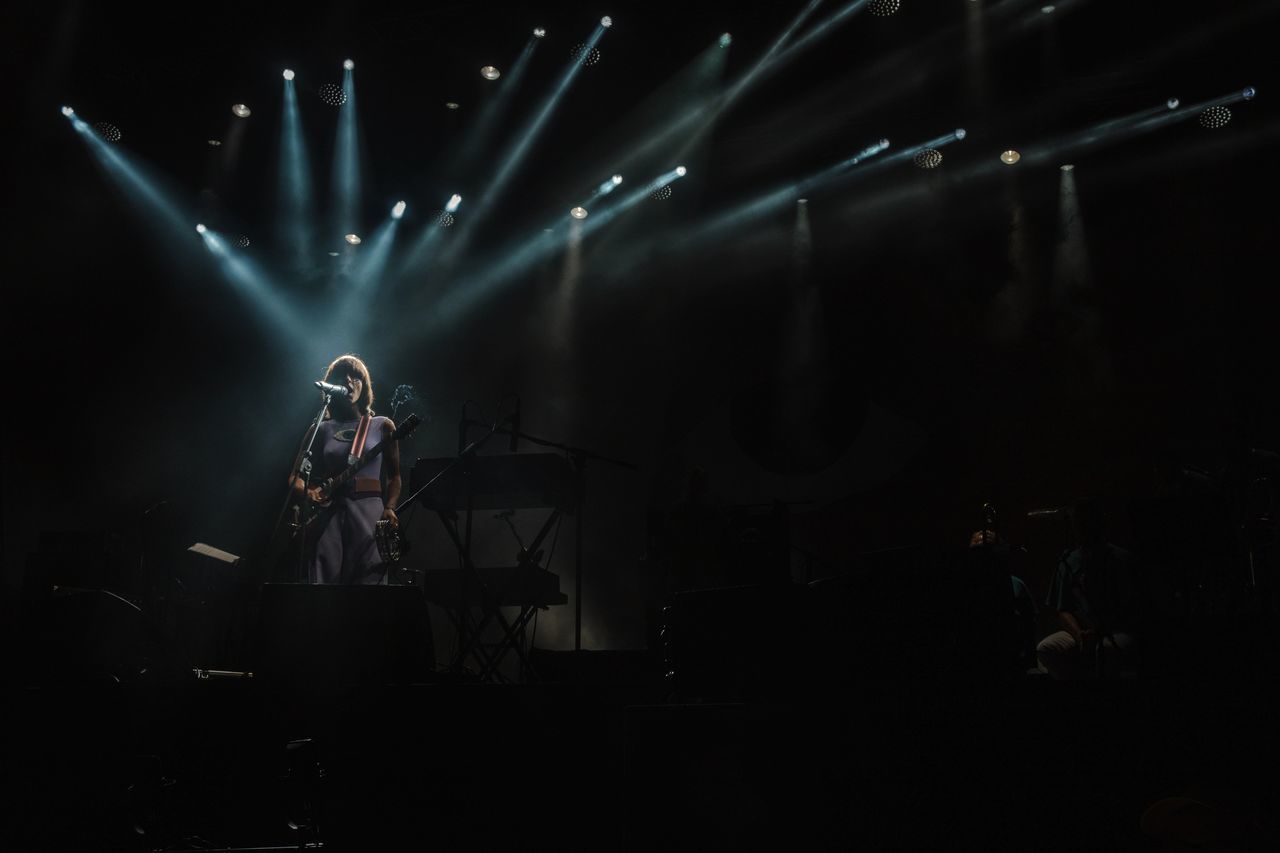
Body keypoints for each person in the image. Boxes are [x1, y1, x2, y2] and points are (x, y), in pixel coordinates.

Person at [288, 354, 401, 584]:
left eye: (356, 377)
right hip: (328, 516)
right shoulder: (321, 428)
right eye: (343, 376)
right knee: (323, 584)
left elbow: (395, 477)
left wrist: (390, 507)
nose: (350, 381)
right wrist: (308, 493)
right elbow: (295, 478)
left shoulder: (382, 425)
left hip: (369, 514)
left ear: (364, 384)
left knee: (367, 585)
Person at [1036, 498, 1140, 679]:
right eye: (1079, 523)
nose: (1082, 527)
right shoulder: (1067, 560)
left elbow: (1130, 607)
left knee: (1104, 651)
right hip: (1081, 631)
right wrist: (1080, 635)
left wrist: (1099, 631)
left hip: (1115, 630)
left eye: (1087, 522)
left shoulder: (1122, 559)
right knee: (1046, 649)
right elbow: (1063, 609)